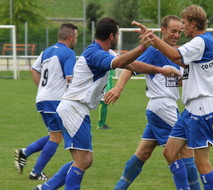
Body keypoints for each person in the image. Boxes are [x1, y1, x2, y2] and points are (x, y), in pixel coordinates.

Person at [33, 17, 180, 190]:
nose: (118, 37)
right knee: (82, 161)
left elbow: (132, 65)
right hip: (73, 108)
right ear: (112, 36)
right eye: (118, 34)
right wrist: (142, 47)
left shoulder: (103, 52)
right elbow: (118, 63)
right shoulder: (94, 53)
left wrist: (161, 70)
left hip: (76, 108)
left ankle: (45, 188)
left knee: (83, 160)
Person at [105, 15, 200, 190]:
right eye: (173, 31)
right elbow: (130, 66)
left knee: (143, 152)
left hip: (160, 108)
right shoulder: (154, 51)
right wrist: (118, 88)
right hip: (162, 106)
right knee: (185, 148)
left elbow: (175, 80)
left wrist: (180, 80)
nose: (176, 35)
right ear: (162, 30)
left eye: (179, 32)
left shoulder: (175, 53)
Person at [133, 4, 213, 190]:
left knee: (202, 162)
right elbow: (179, 60)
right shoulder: (206, 41)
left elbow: (174, 54)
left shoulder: (200, 41)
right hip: (190, 109)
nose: (183, 27)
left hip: (201, 107)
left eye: (185, 23)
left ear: (194, 23)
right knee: (170, 152)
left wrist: (152, 37)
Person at [14, 23, 78, 180]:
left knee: (54, 134)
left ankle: (25, 152)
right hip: (54, 101)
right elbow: (70, 79)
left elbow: (34, 69)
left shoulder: (46, 51)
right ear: (70, 37)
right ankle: (36, 172)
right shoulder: (68, 53)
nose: (76, 40)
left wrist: (43, 89)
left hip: (42, 99)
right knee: (56, 137)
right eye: (76, 38)